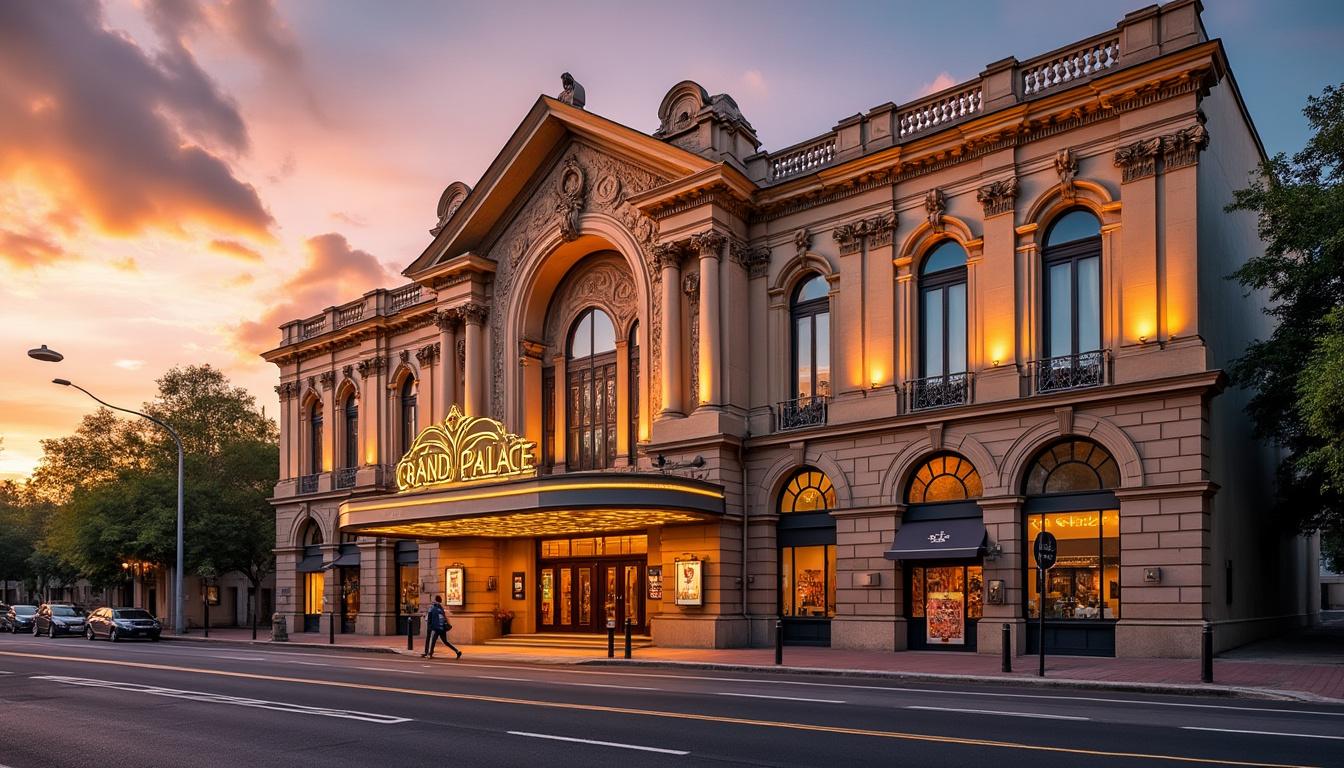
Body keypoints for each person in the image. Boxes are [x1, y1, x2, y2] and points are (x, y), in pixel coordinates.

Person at [421, 595, 461, 659]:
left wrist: (430, 626)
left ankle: (430, 654)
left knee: (433, 640)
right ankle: (457, 651)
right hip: (442, 627)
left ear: (435, 600)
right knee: (445, 642)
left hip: (437, 627)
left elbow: (429, 618)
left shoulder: (433, 607)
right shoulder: (441, 608)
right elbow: (444, 617)